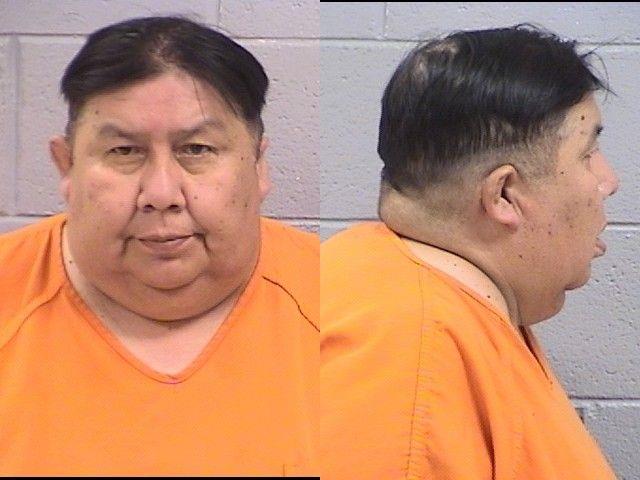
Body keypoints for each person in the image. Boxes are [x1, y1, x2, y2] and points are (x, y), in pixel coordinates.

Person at [0, 17, 318, 476]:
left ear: (258, 165)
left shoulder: (338, 306)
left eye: (197, 149)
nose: (162, 193)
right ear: (67, 167)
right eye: (124, 152)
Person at [321, 25, 619, 479]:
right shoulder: (410, 371)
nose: (608, 181)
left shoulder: (432, 295)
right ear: (504, 195)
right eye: (587, 153)